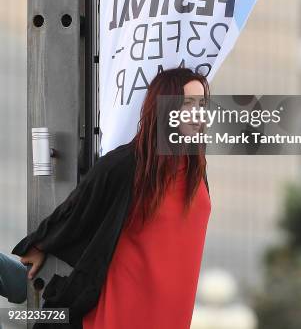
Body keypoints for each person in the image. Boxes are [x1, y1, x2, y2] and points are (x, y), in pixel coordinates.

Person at [11, 67, 211, 328]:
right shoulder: (130, 164)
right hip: (124, 309)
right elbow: (82, 204)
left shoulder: (196, 168)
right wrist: (41, 242)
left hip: (173, 312)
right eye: (188, 103)